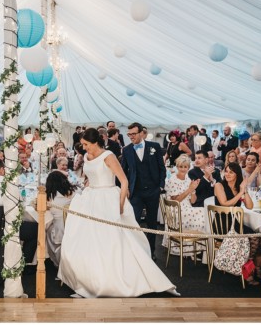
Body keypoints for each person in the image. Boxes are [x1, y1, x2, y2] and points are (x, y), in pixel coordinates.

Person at [58, 128, 178, 298]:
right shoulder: (86, 156)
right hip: (90, 198)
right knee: (85, 239)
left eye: (86, 144)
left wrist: (120, 205)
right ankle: (87, 279)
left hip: (108, 198)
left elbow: (124, 181)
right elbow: (88, 177)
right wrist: (85, 190)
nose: (83, 148)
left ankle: (113, 280)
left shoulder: (108, 156)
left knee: (111, 241)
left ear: (95, 142)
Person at [213, 162, 261, 286]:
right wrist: (240, 193)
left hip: (235, 223)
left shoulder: (238, 187)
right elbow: (225, 203)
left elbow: (250, 206)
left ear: (237, 174)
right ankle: (249, 271)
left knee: (260, 238)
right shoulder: (219, 185)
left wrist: (244, 191)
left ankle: (253, 267)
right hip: (223, 224)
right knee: (253, 239)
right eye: (226, 171)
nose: (227, 174)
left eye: (231, 172)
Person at [120, 122, 166, 258]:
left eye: (134, 134)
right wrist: (126, 188)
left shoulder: (155, 147)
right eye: (129, 134)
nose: (131, 137)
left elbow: (161, 168)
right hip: (136, 193)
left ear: (141, 133)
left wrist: (161, 186)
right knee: (134, 222)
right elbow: (123, 171)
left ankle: (151, 252)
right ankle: (136, 252)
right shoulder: (126, 150)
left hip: (153, 191)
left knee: (152, 223)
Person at [161, 155, 203, 255]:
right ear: (177, 166)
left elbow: (193, 201)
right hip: (175, 210)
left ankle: (195, 246)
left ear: (188, 168)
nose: (183, 169)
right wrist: (189, 189)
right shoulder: (172, 180)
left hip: (187, 207)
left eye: (185, 167)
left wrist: (193, 191)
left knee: (202, 211)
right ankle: (189, 248)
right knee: (201, 213)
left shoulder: (189, 180)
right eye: (181, 166)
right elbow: (176, 201)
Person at [44, 170, 78, 266]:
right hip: (75, 229)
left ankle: (55, 262)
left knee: (47, 229)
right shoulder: (74, 193)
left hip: (60, 232)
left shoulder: (50, 197)